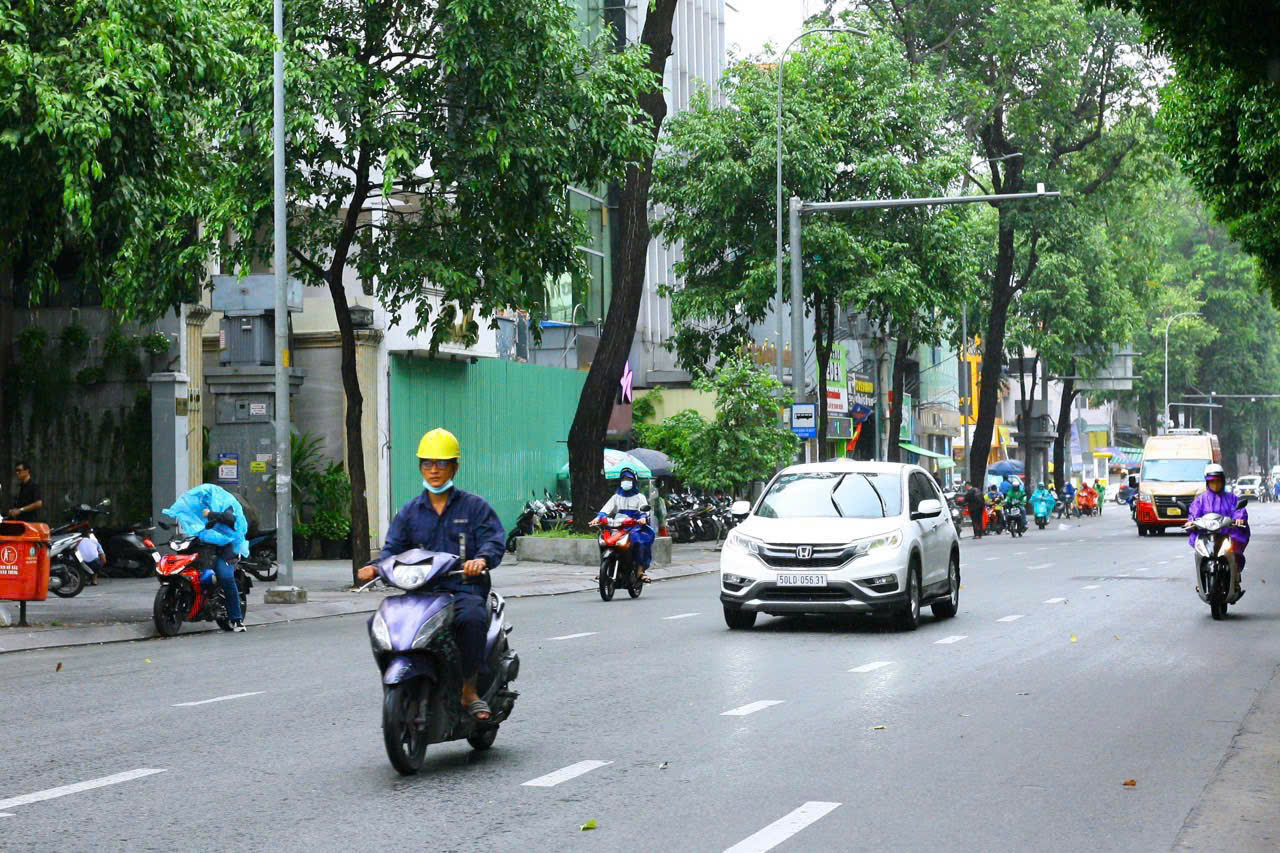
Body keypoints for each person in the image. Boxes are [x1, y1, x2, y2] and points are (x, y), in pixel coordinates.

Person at [356, 428, 505, 722]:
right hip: (421, 593)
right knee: (379, 621)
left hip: (463, 591)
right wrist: (376, 566)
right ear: (420, 468)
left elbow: (494, 539)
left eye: (441, 463)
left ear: (455, 467)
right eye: (427, 463)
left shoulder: (474, 507)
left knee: (472, 619)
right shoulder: (410, 511)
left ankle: (468, 689)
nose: (434, 470)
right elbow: (393, 549)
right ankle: (401, 675)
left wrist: (482, 559)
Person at [163, 483, 250, 632]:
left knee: (225, 577)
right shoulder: (199, 509)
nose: (203, 500)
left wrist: (210, 514)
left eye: (206, 497)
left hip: (225, 549)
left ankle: (237, 620)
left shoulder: (226, 504)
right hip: (203, 547)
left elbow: (231, 520)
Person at [1187, 463, 1250, 599]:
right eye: (1212, 482)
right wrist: (1191, 521)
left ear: (1223, 481)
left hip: (1226, 535)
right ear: (1207, 482)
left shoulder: (1231, 498)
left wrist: (1239, 519)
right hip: (1207, 536)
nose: (1215, 484)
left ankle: (1235, 576)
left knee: (1235, 552)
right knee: (1199, 554)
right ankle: (1201, 579)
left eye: (1218, 481)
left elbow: (1239, 510)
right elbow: (1193, 513)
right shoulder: (1201, 500)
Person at [591, 466, 655, 581]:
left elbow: (644, 512)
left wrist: (643, 518)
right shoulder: (616, 497)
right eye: (624, 479)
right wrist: (598, 518)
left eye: (629, 479)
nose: (626, 481)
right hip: (617, 525)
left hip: (634, 526)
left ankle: (640, 571)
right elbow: (606, 509)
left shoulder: (640, 497)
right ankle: (603, 570)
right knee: (604, 540)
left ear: (634, 481)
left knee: (639, 541)